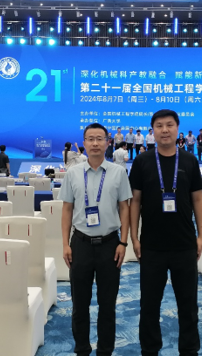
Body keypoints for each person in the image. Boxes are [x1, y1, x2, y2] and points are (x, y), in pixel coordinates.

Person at [129, 109, 202, 357]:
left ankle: (189, 351)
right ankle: (150, 350)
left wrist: (201, 235)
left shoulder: (189, 160)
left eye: (169, 125)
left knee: (188, 305)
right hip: (152, 246)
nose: (164, 130)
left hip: (184, 245)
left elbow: (198, 199)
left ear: (177, 129)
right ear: (152, 130)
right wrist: (134, 237)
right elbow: (135, 201)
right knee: (149, 305)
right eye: (159, 125)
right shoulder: (142, 161)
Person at [60, 123, 132, 357]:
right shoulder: (73, 173)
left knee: (107, 305)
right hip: (80, 244)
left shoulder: (118, 172)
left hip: (110, 245)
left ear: (107, 142)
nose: (95, 143)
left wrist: (123, 242)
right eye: (90, 139)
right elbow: (67, 209)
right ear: (84, 143)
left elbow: (125, 208)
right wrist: (65, 243)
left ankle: (105, 351)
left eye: (99, 139)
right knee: (79, 305)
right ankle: (82, 350)